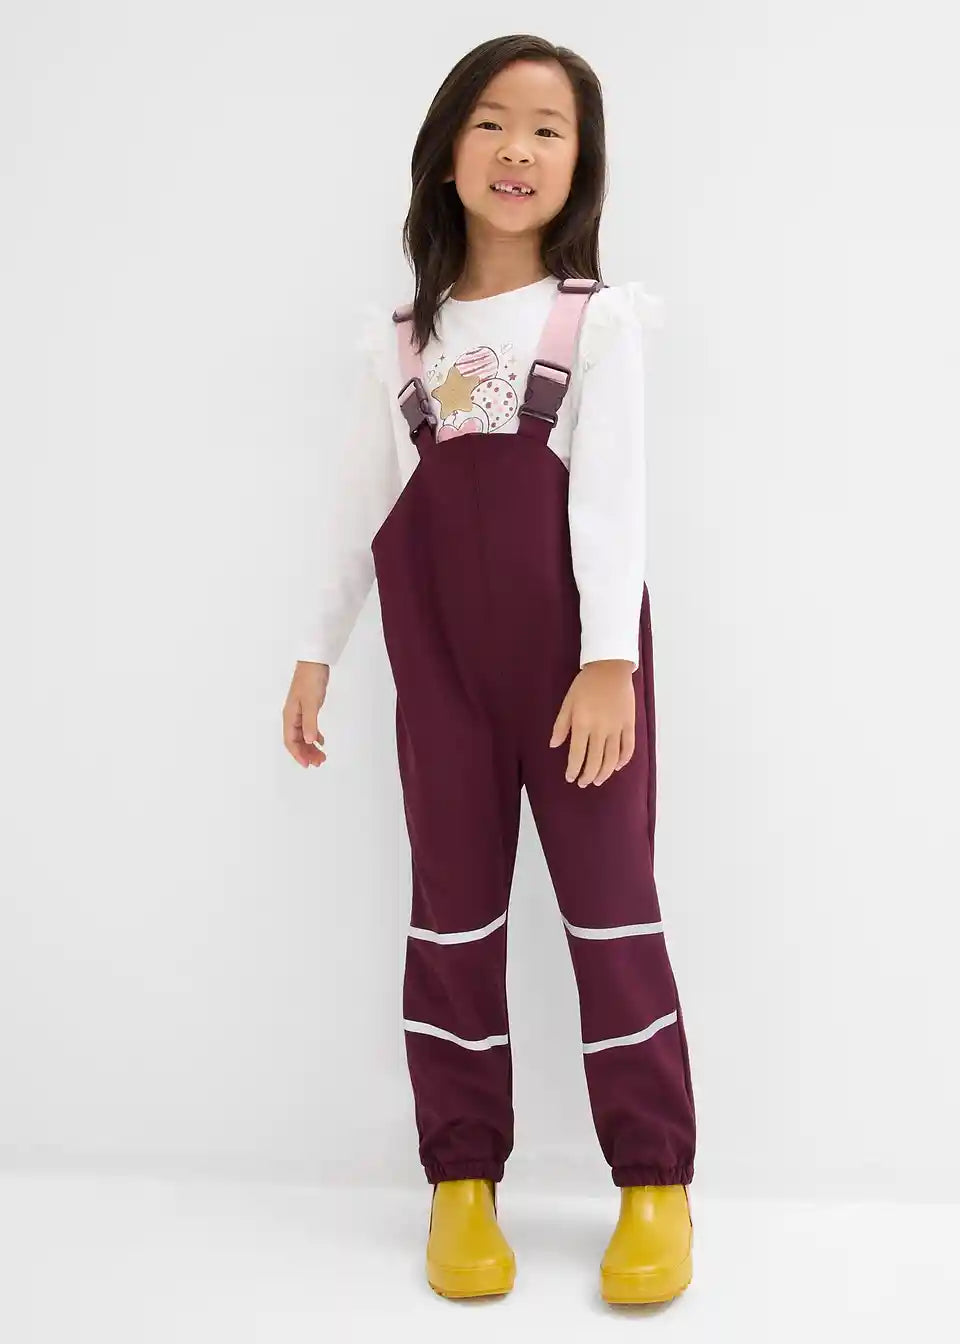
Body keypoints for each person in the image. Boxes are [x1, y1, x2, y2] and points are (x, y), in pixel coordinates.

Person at [282, 34, 697, 1305]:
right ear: (448, 151)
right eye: (493, 122)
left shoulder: (595, 322)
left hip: (580, 689)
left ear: (581, 164)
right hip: (444, 689)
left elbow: (613, 502)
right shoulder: (403, 342)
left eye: (548, 129)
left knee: (611, 915)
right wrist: (315, 650)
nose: (519, 149)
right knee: (452, 921)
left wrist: (609, 662)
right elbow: (360, 507)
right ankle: (461, 1180)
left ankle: (655, 1183)